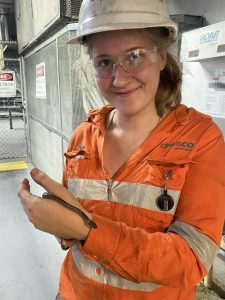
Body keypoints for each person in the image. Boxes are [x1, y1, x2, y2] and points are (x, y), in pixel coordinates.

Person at [18, 0, 225, 299]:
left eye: (135, 56)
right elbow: (72, 229)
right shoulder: (83, 137)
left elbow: (192, 259)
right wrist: (57, 224)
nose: (120, 77)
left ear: (162, 56)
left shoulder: (200, 139)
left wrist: (87, 231)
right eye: (104, 62)